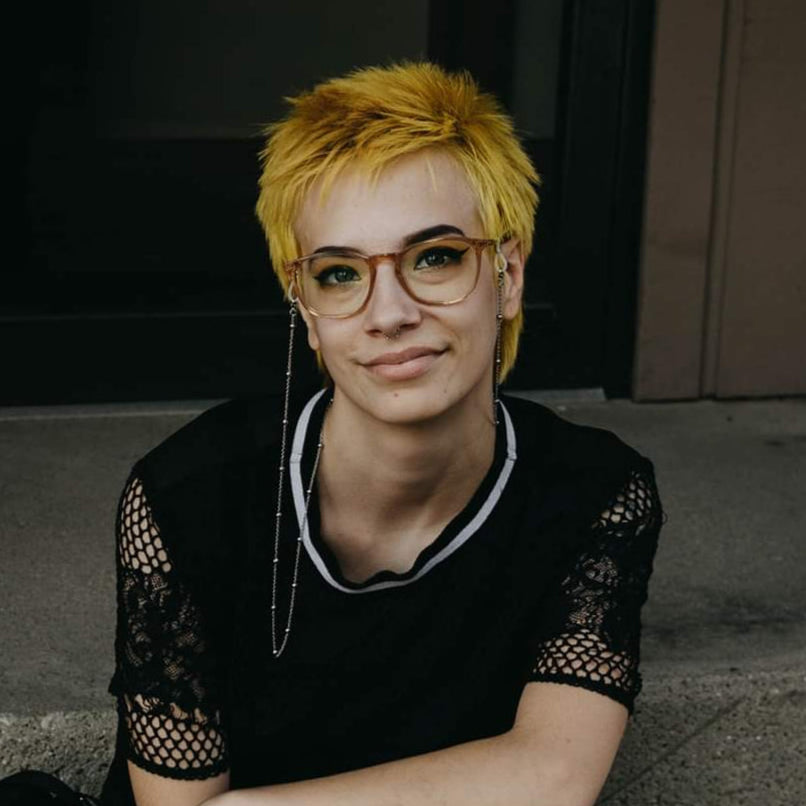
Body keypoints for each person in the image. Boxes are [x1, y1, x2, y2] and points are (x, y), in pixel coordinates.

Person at [100, 62, 663, 806]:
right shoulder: (189, 496)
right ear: (303, 308)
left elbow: (555, 776)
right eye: (339, 273)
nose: (388, 312)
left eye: (435, 258)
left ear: (509, 274)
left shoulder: (592, 493)